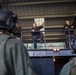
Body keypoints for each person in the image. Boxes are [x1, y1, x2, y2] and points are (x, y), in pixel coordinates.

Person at [0, 9, 36, 75]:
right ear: (9, 22)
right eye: (14, 22)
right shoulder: (14, 44)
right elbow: (24, 72)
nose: (16, 25)